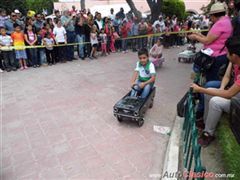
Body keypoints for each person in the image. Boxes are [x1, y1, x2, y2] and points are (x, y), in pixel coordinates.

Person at [191, 36, 240, 147]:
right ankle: (205, 122)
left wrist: (199, 89)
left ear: (235, 56)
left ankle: (208, 133)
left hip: (237, 102)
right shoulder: (235, 61)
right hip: (234, 93)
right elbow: (227, 76)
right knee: (209, 91)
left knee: (216, 101)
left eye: (228, 53)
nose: (226, 55)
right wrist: (221, 88)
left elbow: (229, 94)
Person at [188, 2, 233, 119]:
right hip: (218, 57)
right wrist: (199, 35)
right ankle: (201, 105)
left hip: (214, 59)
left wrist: (195, 37)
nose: (210, 19)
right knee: (205, 81)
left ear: (214, 15)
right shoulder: (227, 22)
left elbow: (207, 41)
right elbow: (210, 39)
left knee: (208, 85)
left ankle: (201, 111)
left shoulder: (220, 24)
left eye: (210, 16)